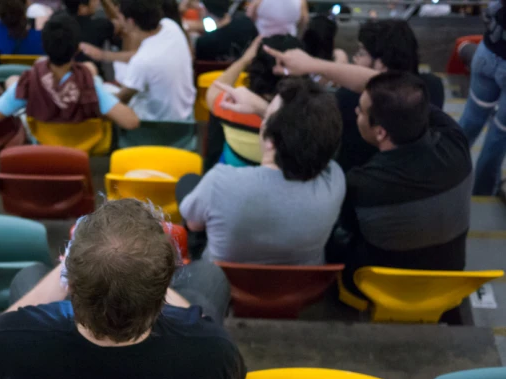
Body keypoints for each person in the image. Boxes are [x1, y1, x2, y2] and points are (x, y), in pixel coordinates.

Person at [0, 199, 246, 379]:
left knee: (29, 276)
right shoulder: (212, 349)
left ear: (72, 284)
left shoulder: (6, 342)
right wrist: (148, 282)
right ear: (163, 292)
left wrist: (65, 270)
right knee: (209, 276)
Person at [263, 47, 472, 296]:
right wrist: (313, 64)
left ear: (380, 132)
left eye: (360, 111)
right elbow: (386, 88)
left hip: (379, 289)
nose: (355, 112)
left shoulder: (362, 184)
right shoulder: (456, 142)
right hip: (446, 284)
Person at [179, 77, 344, 265]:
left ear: (270, 141)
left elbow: (194, 224)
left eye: (266, 117)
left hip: (221, 287)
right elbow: (311, 137)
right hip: (298, 291)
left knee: (188, 182)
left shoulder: (221, 183)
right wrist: (261, 110)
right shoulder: (335, 179)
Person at [0, 12, 139, 129]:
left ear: (43, 47)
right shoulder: (89, 84)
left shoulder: (28, 82)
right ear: (77, 49)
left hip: (43, 155)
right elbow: (131, 122)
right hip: (83, 158)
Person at [337, 19, 445, 172]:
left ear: (381, 65)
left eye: (361, 53)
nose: (355, 58)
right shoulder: (433, 87)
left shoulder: (350, 98)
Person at [80, 0, 196, 121]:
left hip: (157, 126)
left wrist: (93, 84)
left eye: (120, 17)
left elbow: (120, 100)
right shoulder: (170, 27)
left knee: (103, 92)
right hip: (186, 116)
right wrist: (103, 55)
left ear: (130, 21)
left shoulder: (142, 62)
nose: (118, 21)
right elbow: (142, 54)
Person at [205, 33, 302, 169]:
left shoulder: (231, 106)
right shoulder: (303, 120)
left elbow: (212, 91)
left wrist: (244, 59)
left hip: (233, 175)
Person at [458, 0, 506, 196]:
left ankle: (443, 178)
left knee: (471, 118)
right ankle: (481, 195)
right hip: (489, 53)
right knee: (498, 136)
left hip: (487, 54)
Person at [194, 0, 258, 62]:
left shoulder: (204, 42)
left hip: (215, 72)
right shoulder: (247, 23)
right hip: (248, 71)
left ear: (205, 10)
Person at [64, 0, 121, 69]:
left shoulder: (58, 22)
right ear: (82, 8)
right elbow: (122, 23)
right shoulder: (99, 26)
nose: (97, 1)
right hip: (92, 76)